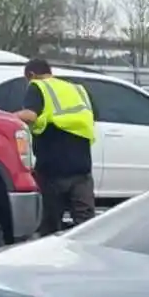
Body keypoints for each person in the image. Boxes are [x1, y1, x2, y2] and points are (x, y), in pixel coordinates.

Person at [14, 58, 97, 235]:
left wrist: (7, 118)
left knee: (50, 225)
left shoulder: (38, 86)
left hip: (53, 167)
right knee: (86, 225)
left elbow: (30, 115)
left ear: (31, 75)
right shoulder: (77, 89)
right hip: (81, 166)